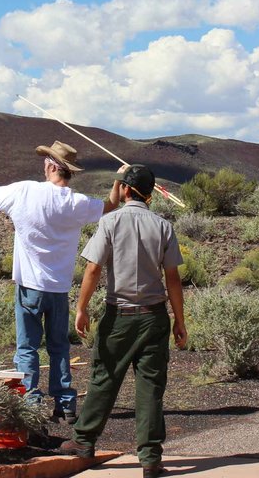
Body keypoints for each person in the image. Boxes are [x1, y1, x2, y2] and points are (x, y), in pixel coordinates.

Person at [0, 140, 121, 422]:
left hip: (29, 287)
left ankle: (31, 402)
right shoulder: (78, 203)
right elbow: (109, 206)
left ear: (50, 166)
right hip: (58, 288)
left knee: (27, 347)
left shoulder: (24, 191)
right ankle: (66, 403)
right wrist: (120, 179)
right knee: (59, 346)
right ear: (67, 171)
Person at [59, 164, 187, 478]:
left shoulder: (110, 221)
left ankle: (84, 441)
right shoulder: (163, 226)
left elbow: (92, 269)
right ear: (150, 195)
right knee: (150, 388)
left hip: (119, 316)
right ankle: (150, 460)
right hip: (154, 317)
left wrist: (81, 308)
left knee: (104, 379)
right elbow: (173, 278)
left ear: (126, 190)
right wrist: (179, 320)